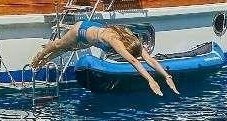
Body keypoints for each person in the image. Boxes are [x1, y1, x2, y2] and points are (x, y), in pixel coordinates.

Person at [28, 19, 180, 96]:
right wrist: (151, 80)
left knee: (66, 50)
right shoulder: (115, 41)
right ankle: (39, 56)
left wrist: (166, 76)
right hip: (81, 30)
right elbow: (134, 61)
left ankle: (43, 61)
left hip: (93, 34)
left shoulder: (132, 38)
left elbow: (149, 59)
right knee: (59, 45)